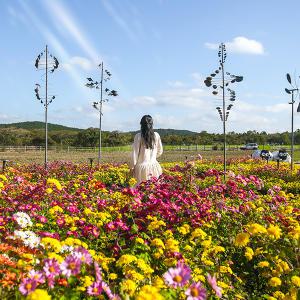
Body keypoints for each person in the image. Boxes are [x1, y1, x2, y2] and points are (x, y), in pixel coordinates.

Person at [131, 115, 163, 184]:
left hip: (141, 168)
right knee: (155, 190)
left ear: (141, 124)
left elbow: (135, 154)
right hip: (154, 166)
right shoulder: (156, 135)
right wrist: (153, 157)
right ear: (152, 124)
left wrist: (132, 167)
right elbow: (160, 151)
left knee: (140, 190)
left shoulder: (138, 136)